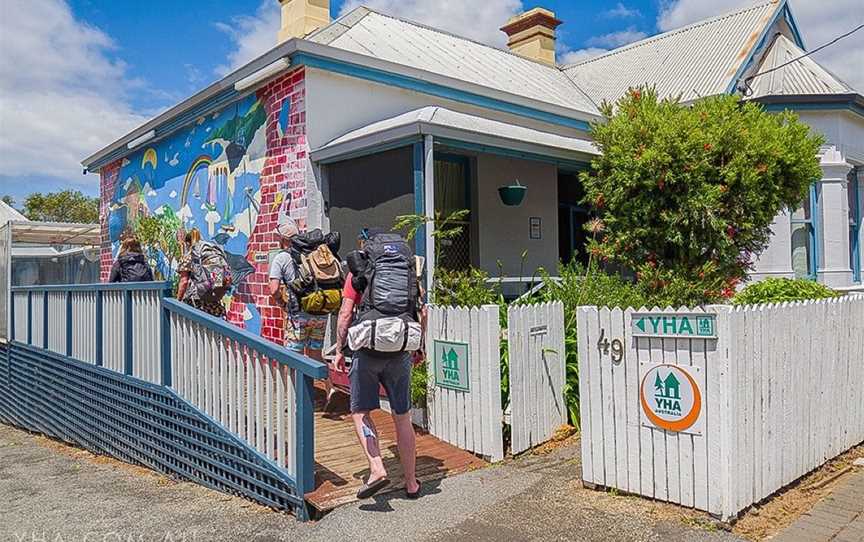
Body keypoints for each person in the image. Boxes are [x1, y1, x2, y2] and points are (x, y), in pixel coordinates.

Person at [333, 230, 423, 500]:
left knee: (360, 411)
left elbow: (345, 313)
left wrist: (339, 349)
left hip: (367, 351)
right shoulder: (409, 271)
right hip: (399, 350)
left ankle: (376, 468)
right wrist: (418, 348)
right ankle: (411, 483)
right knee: (402, 417)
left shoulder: (358, 271)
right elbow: (422, 310)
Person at [268, 218, 333, 401]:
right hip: (320, 312)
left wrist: (281, 303)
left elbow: (273, 289)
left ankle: (297, 400)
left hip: (297, 315)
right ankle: (330, 389)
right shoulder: (314, 254)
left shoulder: (282, 257)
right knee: (315, 355)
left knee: (293, 357)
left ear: (283, 239)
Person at [176, 228, 230, 318]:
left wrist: (177, 302)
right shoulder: (209, 249)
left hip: (196, 302)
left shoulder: (189, 255)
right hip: (214, 302)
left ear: (187, 243)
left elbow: (184, 281)